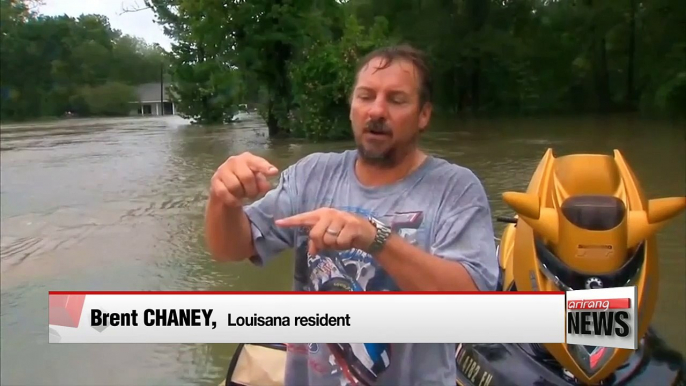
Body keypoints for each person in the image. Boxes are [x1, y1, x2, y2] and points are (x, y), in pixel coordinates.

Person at [204, 44, 499, 386]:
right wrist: (222, 200)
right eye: (365, 96)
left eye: (396, 100)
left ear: (423, 115)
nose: (376, 110)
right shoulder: (313, 174)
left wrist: (374, 237)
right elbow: (231, 248)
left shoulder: (456, 189)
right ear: (351, 108)